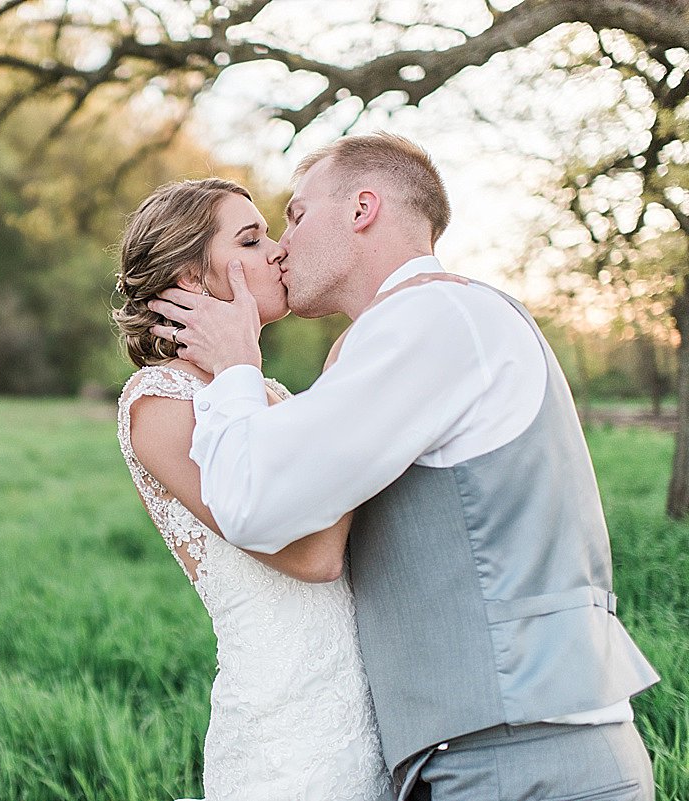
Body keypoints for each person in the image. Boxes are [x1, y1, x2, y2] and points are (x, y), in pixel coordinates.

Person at [148, 133, 660, 801]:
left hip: (519, 755)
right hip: (497, 748)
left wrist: (237, 370)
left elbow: (258, 506)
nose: (283, 246)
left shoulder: (429, 318)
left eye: (296, 216)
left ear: (363, 208)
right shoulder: (424, 326)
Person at [113, 177, 392, 801]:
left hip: (365, 715)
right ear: (189, 280)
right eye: (250, 239)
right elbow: (312, 556)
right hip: (289, 741)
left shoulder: (267, 393)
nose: (278, 251)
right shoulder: (160, 403)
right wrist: (346, 393)